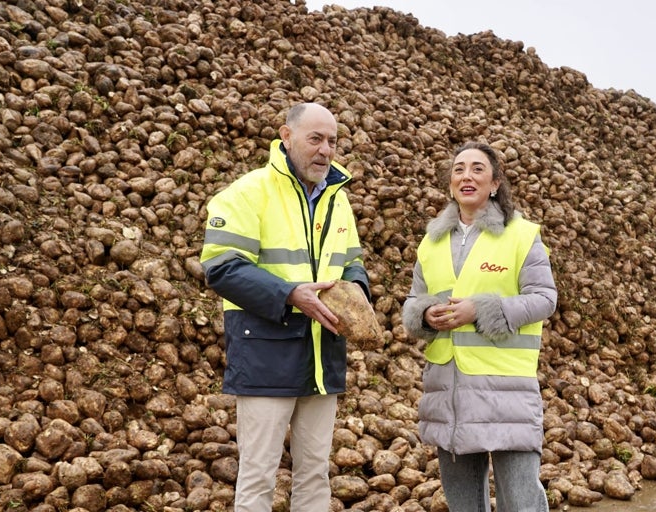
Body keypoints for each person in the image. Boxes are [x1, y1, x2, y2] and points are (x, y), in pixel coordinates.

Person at [199, 102, 370, 511]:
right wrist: (291, 294)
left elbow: (352, 261)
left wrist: (357, 290)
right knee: (258, 475)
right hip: (265, 355)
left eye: (331, 141)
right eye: (315, 139)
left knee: (314, 473)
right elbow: (220, 267)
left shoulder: (336, 199)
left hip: (322, 355)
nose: (325, 150)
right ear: (286, 136)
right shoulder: (248, 192)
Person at [402, 141, 557, 511]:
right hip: (450, 390)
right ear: (450, 183)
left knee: (521, 502)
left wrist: (481, 309)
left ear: (494, 183)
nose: (466, 176)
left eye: (477, 169)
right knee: (463, 505)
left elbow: (544, 298)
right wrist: (424, 315)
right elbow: (413, 300)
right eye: (458, 169)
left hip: (507, 391)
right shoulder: (432, 241)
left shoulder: (521, 234)